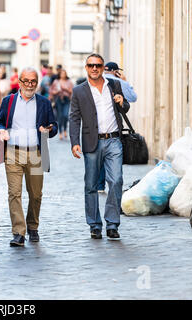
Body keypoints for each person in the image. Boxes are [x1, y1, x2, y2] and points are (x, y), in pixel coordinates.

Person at [0, 67, 58, 247]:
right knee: (14, 193)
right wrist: (1, 131)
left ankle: (32, 226)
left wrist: (48, 130)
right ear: (20, 82)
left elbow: (54, 125)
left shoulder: (44, 102)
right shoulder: (9, 101)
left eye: (33, 82)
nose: (29, 85)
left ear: (37, 83)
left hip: (37, 152)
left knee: (36, 194)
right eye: (26, 81)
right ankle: (19, 232)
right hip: (13, 152)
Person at [69, 53, 130, 240]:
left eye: (98, 65)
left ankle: (112, 224)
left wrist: (122, 102)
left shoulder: (114, 85)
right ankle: (94, 225)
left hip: (113, 140)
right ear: (86, 68)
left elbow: (125, 107)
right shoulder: (79, 91)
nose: (94, 68)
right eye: (90, 65)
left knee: (116, 180)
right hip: (91, 141)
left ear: (103, 67)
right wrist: (74, 142)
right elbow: (74, 117)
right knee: (91, 184)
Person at [97, 62, 138, 193]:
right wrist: (125, 81)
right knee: (113, 155)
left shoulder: (97, 80)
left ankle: (99, 185)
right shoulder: (119, 82)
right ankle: (114, 183)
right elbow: (132, 98)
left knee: (100, 156)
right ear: (116, 71)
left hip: (97, 126)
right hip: (115, 124)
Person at [50, 69, 74, 140]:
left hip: (66, 99)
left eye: (64, 73)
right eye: (62, 73)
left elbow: (72, 91)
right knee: (60, 116)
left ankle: (65, 130)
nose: (63, 75)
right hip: (58, 100)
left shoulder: (69, 82)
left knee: (65, 115)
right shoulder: (56, 81)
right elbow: (51, 91)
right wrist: (57, 91)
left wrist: (65, 89)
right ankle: (60, 132)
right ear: (59, 74)